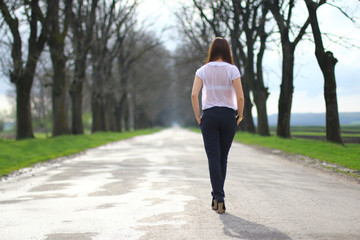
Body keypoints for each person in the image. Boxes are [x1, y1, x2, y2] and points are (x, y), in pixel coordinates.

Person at [191, 37, 244, 214]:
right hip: (229, 116)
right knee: (223, 157)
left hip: (210, 116)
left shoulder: (202, 70)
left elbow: (193, 95)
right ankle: (218, 196)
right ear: (227, 51)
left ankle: (218, 197)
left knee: (213, 157)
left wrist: (198, 116)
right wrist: (240, 115)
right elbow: (241, 96)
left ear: (212, 50)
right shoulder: (232, 70)